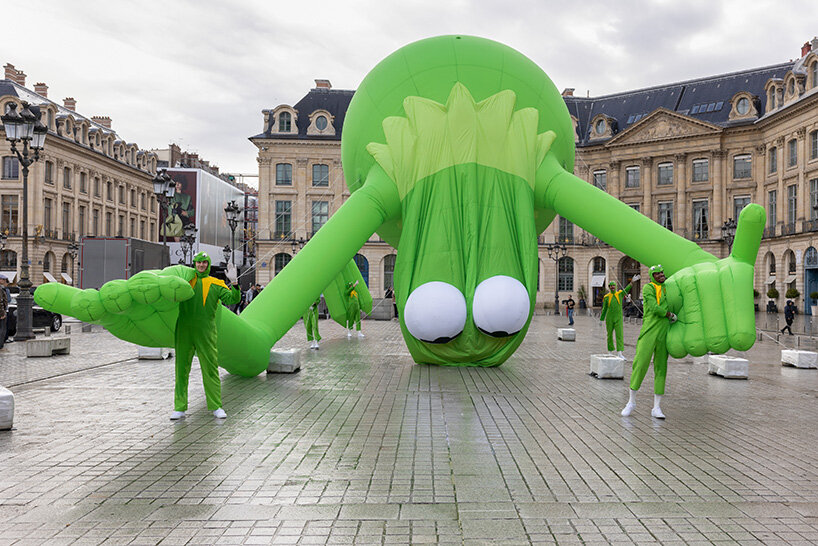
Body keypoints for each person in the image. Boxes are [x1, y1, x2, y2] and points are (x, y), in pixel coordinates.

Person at [171, 252, 241, 421]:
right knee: (181, 369)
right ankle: (179, 407)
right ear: (194, 264)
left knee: (210, 369)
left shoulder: (216, 283)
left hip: (206, 331)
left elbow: (233, 298)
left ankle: (216, 406)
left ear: (208, 264)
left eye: (204, 262)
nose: (201, 265)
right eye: (198, 262)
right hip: (184, 330)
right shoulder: (185, 282)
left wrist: (235, 283)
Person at [621, 264, 676, 419]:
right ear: (652, 276)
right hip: (649, 331)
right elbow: (653, 307)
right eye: (657, 274)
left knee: (661, 367)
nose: (661, 275)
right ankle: (631, 402)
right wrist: (669, 314)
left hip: (663, 333)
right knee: (640, 363)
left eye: (662, 273)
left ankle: (656, 407)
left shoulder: (668, 288)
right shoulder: (648, 288)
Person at [600, 276, 640, 359]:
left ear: (616, 286)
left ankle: (620, 352)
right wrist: (601, 319)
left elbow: (627, 289)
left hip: (618, 318)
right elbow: (604, 309)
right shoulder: (606, 297)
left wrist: (632, 282)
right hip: (609, 318)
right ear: (609, 287)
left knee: (619, 335)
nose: (612, 287)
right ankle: (610, 351)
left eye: (613, 285)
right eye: (611, 286)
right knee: (609, 335)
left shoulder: (620, 294)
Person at [0, 275, 7, 349]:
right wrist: (2, 313)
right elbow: (1, 302)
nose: (4, 281)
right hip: (1, 313)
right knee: (2, 329)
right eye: (3, 279)